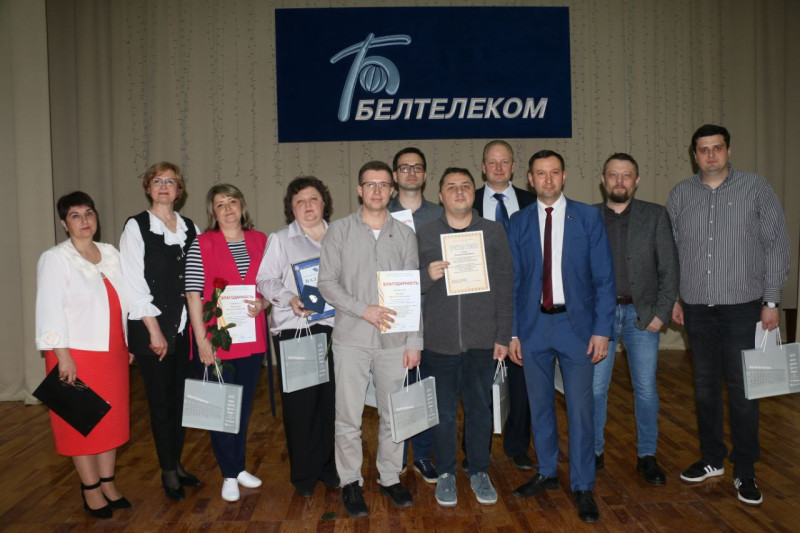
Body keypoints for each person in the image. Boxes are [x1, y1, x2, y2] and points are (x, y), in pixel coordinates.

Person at [667, 124, 790, 506]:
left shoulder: (756, 188)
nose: (710, 155)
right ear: (694, 155)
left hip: (743, 307)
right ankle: (712, 458)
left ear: (728, 150)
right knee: (704, 387)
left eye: (717, 148)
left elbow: (777, 246)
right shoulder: (680, 194)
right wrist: (673, 298)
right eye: (703, 149)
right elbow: (670, 251)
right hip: (697, 308)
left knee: (742, 390)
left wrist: (772, 302)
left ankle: (745, 469)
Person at [508, 150, 615, 523]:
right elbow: (513, 281)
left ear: (564, 176)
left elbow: (604, 278)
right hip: (533, 328)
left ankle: (583, 485)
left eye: (554, 172)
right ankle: (547, 471)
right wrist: (513, 332)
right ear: (530, 179)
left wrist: (602, 330)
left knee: (581, 410)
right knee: (539, 406)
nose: (548, 179)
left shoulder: (587, 217)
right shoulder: (519, 222)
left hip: (577, 328)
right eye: (541, 173)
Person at [318, 161, 422, 517]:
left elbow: (412, 290)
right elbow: (326, 283)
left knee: (394, 414)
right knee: (348, 416)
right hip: (351, 338)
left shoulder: (405, 234)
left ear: (392, 191)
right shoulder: (339, 231)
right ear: (359, 190)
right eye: (370, 184)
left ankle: (389, 477)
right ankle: (350, 481)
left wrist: (415, 341)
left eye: (383, 184)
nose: (377, 190)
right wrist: (363, 309)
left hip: (396, 341)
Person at [418, 168, 513, 507]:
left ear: (474, 193)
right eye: (451, 187)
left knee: (480, 411)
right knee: (443, 414)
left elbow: (505, 286)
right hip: (438, 343)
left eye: (465, 186)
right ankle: (446, 473)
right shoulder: (425, 234)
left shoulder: (493, 231)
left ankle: (479, 471)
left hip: (482, 340)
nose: (459, 192)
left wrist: (503, 335)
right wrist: (427, 275)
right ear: (440, 195)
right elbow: (409, 286)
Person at [35, 191, 132, 519]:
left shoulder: (110, 253)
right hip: (75, 354)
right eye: (75, 215)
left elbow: (124, 303)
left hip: (112, 352)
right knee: (81, 423)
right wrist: (63, 357)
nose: (84, 220)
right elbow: (49, 310)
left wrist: (128, 343)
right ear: (65, 224)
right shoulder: (55, 258)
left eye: (88, 213)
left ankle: (108, 483)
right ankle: (90, 488)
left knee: (110, 422)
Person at [592, 153, 679, 484]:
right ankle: (594, 452)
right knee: (595, 390)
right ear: (603, 180)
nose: (619, 181)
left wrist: (661, 312)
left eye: (626, 175)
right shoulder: (586, 217)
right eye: (613, 175)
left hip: (642, 316)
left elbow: (669, 267)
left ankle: (647, 456)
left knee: (645, 389)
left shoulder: (655, 215)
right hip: (599, 318)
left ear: (636, 180)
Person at [120, 162, 201, 501]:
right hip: (151, 329)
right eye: (157, 181)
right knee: (161, 404)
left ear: (179, 190)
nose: (164, 186)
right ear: (148, 187)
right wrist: (154, 331)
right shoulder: (136, 226)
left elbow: (198, 277)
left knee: (181, 402)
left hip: (184, 330)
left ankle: (176, 463)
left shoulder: (190, 227)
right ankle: (168, 470)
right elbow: (133, 283)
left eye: (170, 181)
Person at [186, 184, 270, 503]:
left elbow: (269, 284)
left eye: (232, 201)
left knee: (243, 408)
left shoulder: (260, 240)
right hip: (216, 341)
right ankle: (229, 474)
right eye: (220, 204)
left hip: (251, 338)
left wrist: (264, 303)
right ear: (213, 212)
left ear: (242, 206)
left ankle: (239, 466)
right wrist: (202, 340)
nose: (228, 208)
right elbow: (193, 295)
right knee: (221, 409)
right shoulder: (201, 243)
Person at [256, 176, 338, 497]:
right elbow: (265, 280)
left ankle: (329, 469)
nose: (307, 206)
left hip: (336, 329)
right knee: (301, 406)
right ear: (291, 208)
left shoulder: (340, 235)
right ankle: (304, 475)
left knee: (332, 403)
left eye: (313, 199)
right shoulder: (280, 239)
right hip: (296, 329)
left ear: (324, 202)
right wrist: (289, 297)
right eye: (299, 201)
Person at [472, 139, 536, 470]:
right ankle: (475, 449)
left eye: (504, 162)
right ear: (483, 167)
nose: (498, 168)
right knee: (478, 382)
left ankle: (517, 446)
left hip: (525, 304)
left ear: (514, 167)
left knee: (522, 380)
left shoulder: (533, 202)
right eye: (492, 162)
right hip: (479, 306)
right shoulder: (466, 201)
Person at [388, 146, 442, 483]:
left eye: (417, 167)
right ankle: (393, 455)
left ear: (425, 174)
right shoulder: (379, 212)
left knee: (423, 388)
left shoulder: (440, 214)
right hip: (393, 317)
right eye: (404, 167)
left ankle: (422, 455)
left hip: (433, 315)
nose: (411, 172)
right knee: (395, 389)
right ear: (395, 175)